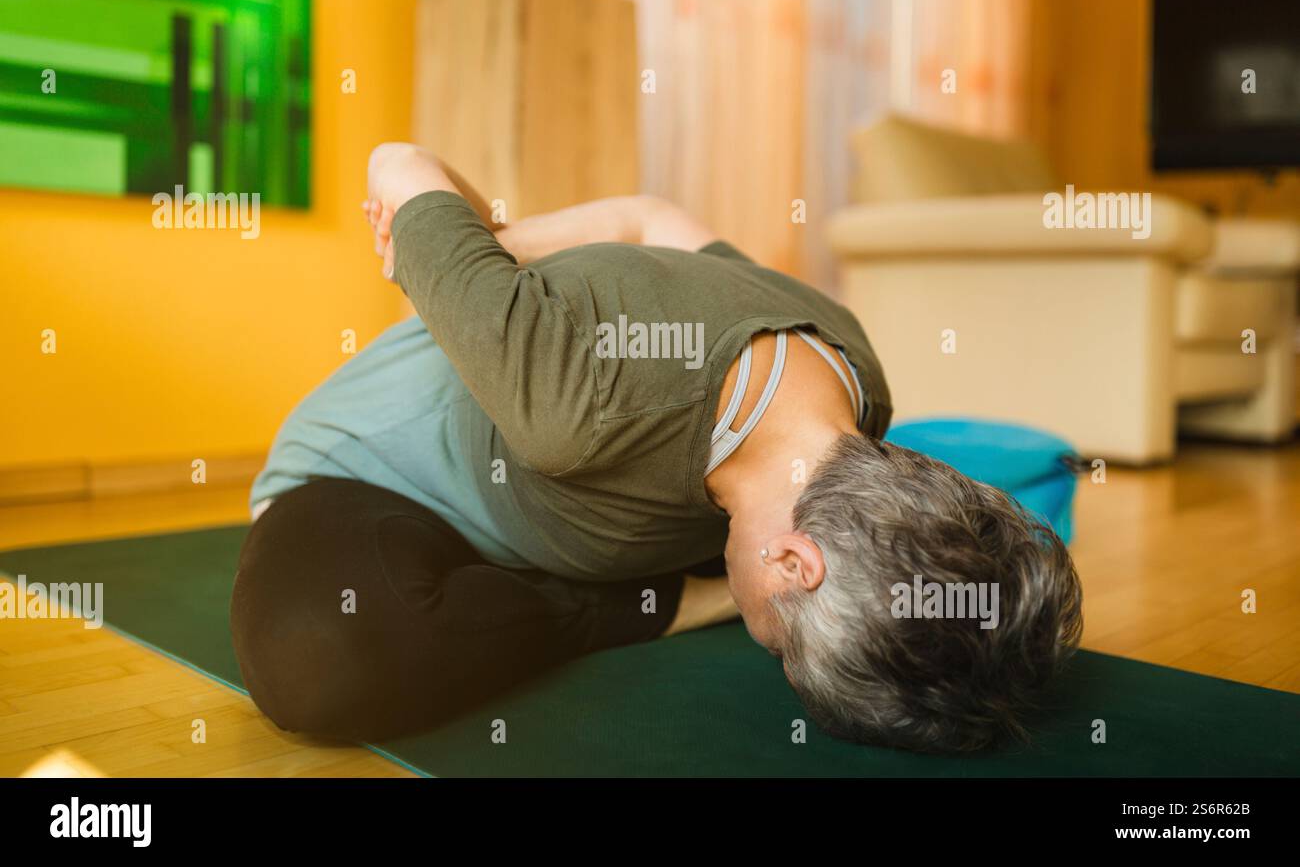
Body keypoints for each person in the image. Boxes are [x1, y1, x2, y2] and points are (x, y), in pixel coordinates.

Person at [229, 143, 1082, 753]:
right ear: (792, 559)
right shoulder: (582, 400)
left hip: (553, 509)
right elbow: (395, 162)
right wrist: (486, 260)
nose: (771, 648)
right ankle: (660, 602)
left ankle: (625, 596)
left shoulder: (856, 372)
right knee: (320, 667)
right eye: (783, 646)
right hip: (376, 483)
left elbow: (653, 220)